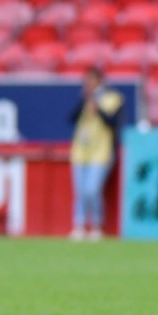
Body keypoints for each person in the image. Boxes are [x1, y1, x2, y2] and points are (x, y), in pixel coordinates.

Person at [68, 67, 124, 240]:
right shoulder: (84, 99)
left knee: (92, 189)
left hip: (101, 152)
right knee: (81, 191)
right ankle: (79, 225)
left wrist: (97, 108)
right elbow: (71, 118)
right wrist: (86, 101)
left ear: (100, 81)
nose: (89, 84)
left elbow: (113, 123)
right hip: (81, 152)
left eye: (92, 80)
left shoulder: (112, 99)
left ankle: (97, 226)